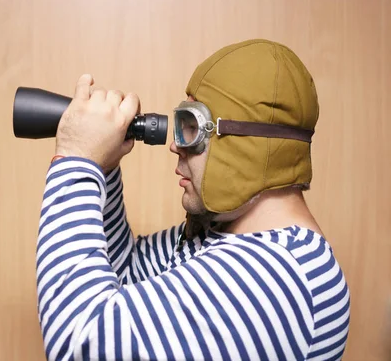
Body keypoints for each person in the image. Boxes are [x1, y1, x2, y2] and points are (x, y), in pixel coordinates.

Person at [35, 39, 350, 360]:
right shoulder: (222, 237)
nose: (175, 145)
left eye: (191, 127)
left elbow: (80, 343)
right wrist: (103, 166)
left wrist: (76, 160)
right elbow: (123, 275)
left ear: (246, 144)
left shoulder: (276, 276)